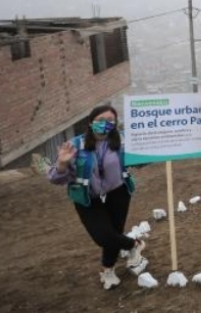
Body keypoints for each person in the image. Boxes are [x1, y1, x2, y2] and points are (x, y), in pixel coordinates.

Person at [48, 105, 146, 290]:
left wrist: (155, 151)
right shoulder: (75, 145)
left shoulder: (124, 141)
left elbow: (140, 160)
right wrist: (61, 164)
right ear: (90, 122)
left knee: (114, 232)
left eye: (110, 121)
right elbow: (56, 178)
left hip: (118, 191)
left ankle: (107, 270)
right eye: (101, 120)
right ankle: (133, 244)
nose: (105, 125)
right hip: (86, 196)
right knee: (103, 236)